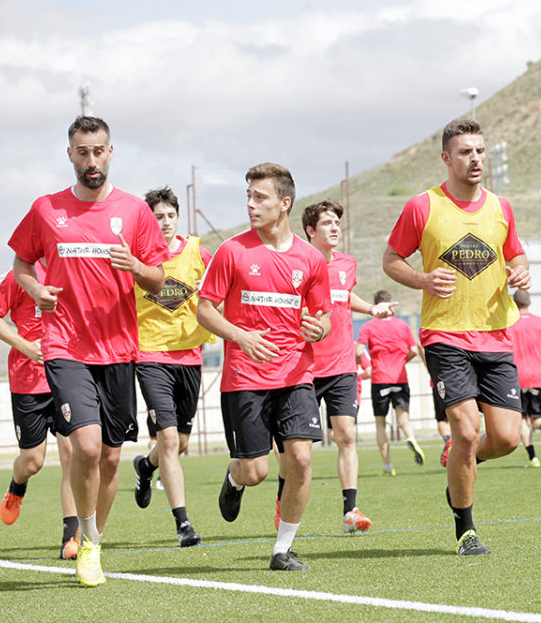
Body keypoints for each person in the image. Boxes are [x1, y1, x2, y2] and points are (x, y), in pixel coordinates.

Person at [7, 115, 169, 586]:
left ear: (110, 152)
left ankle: (95, 539)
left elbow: (159, 281)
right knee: (86, 445)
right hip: (65, 345)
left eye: (98, 151)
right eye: (82, 153)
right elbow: (21, 263)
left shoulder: (135, 211)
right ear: (70, 155)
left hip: (118, 349)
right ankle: (83, 539)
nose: (91, 161)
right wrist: (35, 290)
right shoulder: (46, 209)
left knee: (112, 458)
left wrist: (136, 265)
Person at [383, 118, 530, 555]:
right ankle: (466, 530)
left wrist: (521, 270)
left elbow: (516, 254)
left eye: (480, 151)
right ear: (447, 158)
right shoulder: (422, 206)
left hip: (495, 335)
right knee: (465, 431)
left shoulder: (501, 208)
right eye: (466, 152)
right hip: (445, 335)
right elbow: (391, 259)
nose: (475, 159)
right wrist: (423, 279)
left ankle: (463, 467)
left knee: (506, 439)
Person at [197, 162, 331, 571]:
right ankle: (234, 478)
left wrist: (319, 329)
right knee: (255, 471)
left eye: (261, 197)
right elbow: (205, 310)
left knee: (300, 460)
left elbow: (324, 315)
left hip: (296, 374)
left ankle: (282, 550)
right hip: (245, 377)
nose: (251, 205)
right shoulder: (232, 251)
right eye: (249, 197)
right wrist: (240, 337)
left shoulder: (311, 259)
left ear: (284, 203)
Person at [272, 199, 395, 535]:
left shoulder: (347, 264)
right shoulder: (296, 264)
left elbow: (343, 295)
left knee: (346, 436)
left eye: (337, 223)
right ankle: (283, 500)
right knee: (295, 450)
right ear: (310, 230)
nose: (335, 228)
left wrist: (371, 309)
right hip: (304, 368)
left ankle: (350, 511)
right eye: (327, 223)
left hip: (342, 365)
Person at [130, 187, 215, 547]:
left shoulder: (198, 252)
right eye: (157, 217)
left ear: (178, 217)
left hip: (190, 356)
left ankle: (145, 466)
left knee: (179, 442)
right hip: (150, 355)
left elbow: (219, 292)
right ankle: (183, 524)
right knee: (166, 437)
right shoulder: (136, 257)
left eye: (170, 216)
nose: (164, 222)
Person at [0, 264, 79, 561]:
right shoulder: (20, 274)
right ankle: (17, 485)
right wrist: (24, 345)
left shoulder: (74, 267)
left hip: (68, 375)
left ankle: (71, 537)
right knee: (33, 462)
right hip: (28, 380)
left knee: (72, 454)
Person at [356, 290, 426, 476]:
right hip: (399, 378)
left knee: (380, 423)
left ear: (376, 305)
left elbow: (358, 351)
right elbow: (414, 350)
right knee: (403, 418)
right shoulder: (403, 326)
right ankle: (411, 439)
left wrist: (357, 363)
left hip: (380, 379)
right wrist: (402, 362)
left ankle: (388, 466)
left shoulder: (368, 327)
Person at [508, 290, 541, 468]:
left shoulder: (509, 323)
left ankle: (533, 458)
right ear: (529, 302)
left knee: (522, 418)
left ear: (514, 303)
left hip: (517, 376)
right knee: (538, 415)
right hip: (539, 375)